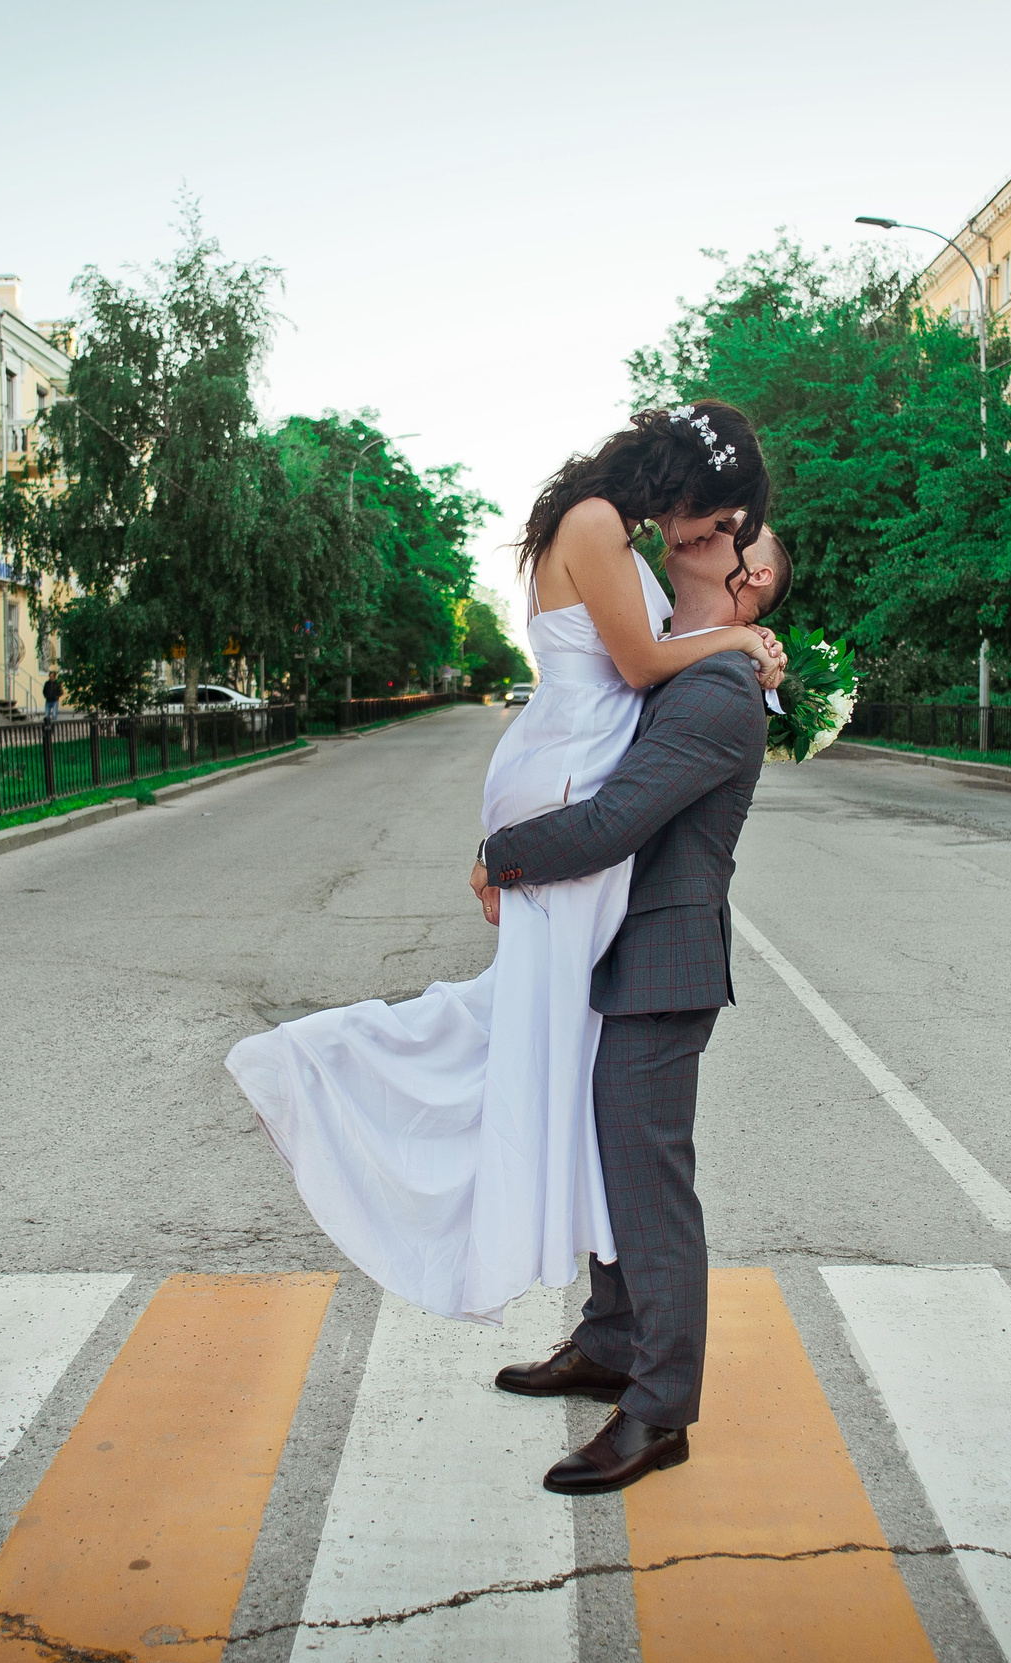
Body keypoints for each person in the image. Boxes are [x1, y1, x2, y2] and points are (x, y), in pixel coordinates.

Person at [226, 402, 783, 1339]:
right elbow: (642, 662)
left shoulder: (614, 526)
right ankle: (330, 1070)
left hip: (567, 772)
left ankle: (604, 1327)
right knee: (540, 1044)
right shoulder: (601, 523)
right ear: (685, 482)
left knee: (542, 1045)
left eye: (727, 532)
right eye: (716, 514)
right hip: (564, 773)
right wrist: (737, 638)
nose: (708, 534)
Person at [478, 520, 790, 1495]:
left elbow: (614, 822)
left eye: (741, 532)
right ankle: (610, 1339)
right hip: (612, 950)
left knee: (649, 1188)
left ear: (754, 579)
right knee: (606, 1163)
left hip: (661, 961)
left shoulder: (718, 692)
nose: (714, 524)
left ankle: (658, 1408)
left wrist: (502, 855)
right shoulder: (672, 664)